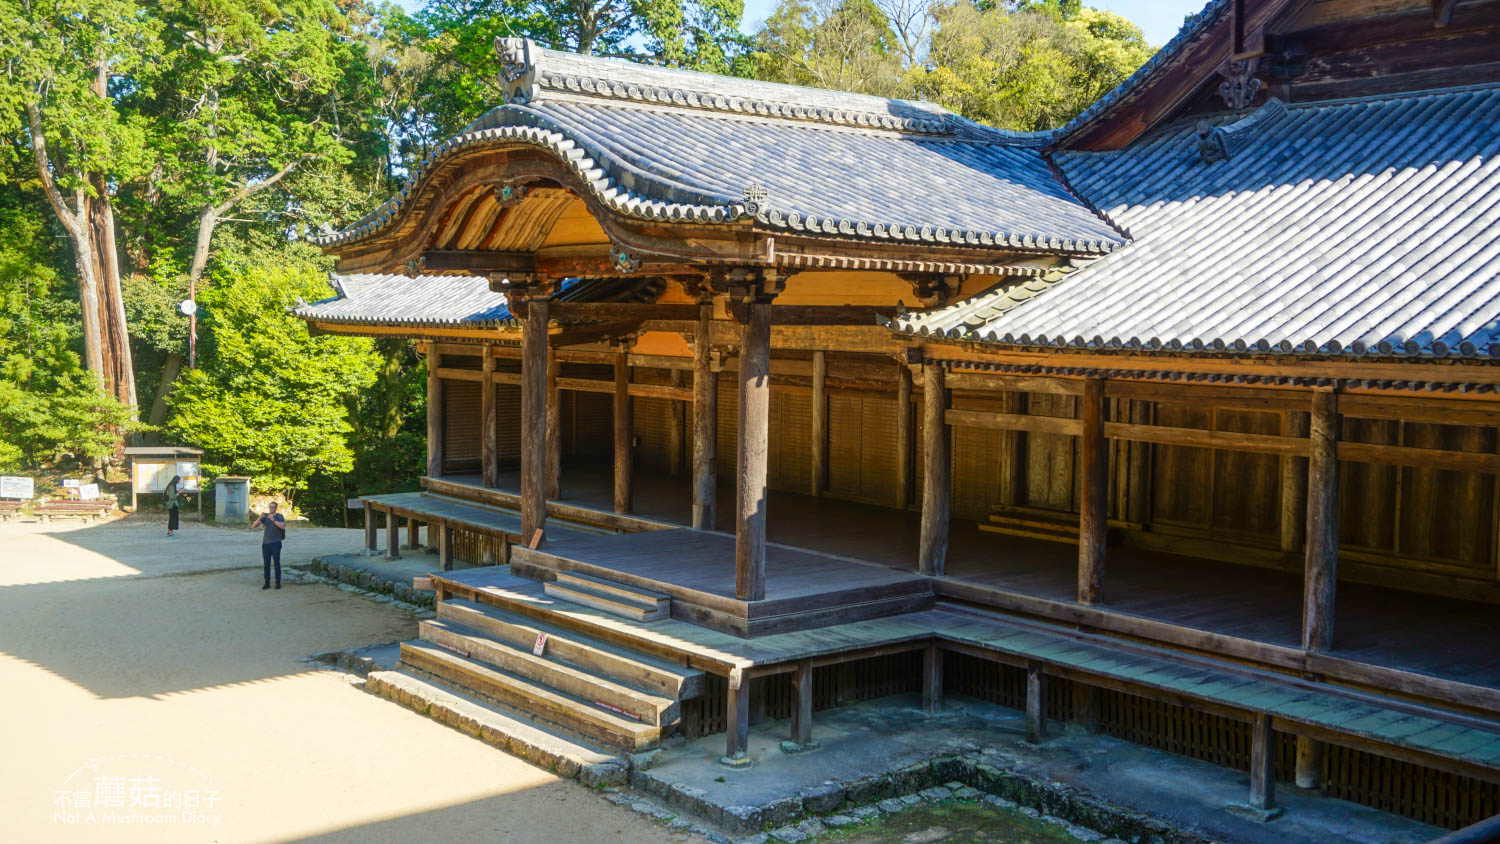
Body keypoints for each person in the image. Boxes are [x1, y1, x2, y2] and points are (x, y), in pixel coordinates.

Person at [251, 501, 287, 590]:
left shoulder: (279, 516)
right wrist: (260, 517)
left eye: (273, 507)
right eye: (270, 507)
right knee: (266, 564)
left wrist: (273, 520)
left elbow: (282, 526)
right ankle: (267, 583)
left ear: (276, 508)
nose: (271, 509)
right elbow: (253, 526)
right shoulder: (266, 517)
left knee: (276, 563)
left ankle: (278, 583)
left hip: (276, 543)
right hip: (266, 544)